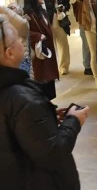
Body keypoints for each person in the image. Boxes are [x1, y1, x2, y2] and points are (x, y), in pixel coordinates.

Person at [0, 15, 89, 189]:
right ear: (9, 53)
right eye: (18, 38)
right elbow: (54, 152)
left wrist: (46, 117)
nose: (21, 41)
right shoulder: (22, 99)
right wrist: (74, 120)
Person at [24, 0, 60, 101]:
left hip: (47, 47)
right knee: (42, 76)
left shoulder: (41, 10)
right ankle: (45, 102)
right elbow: (25, 30)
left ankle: (50, 100)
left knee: (49, 76)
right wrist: (38, 36)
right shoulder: (28, 13)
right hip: (39, 48)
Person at [42, 0, 71, 75]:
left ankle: (64, 66)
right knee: (50, 45)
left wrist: (63, 7)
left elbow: (68, 5)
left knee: (63, 44)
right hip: (49, 21)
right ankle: (53, 67)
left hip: (61, 21)